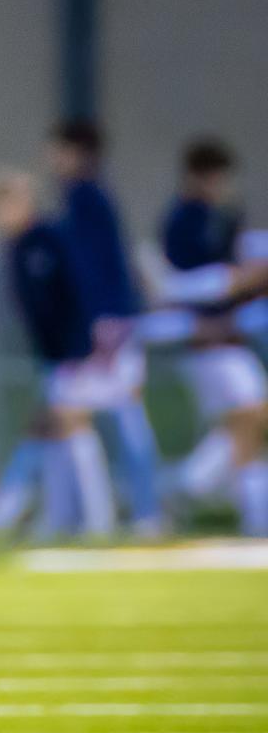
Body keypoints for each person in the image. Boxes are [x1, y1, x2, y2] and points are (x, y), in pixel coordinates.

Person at [0, 173, 120, 536]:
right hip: (53, 358)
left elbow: (81, 291)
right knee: (55, 433)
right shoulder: (16, 248)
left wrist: (83, 347)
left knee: (68, 424)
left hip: (75, 355)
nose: (1, 215)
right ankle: (62, 519)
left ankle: (98, 521)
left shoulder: (50, 239)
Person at [47, 120, 162, 535]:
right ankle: (129, 511)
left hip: (110, 321)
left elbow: (96, 268)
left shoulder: (85, 198)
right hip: (113, 318)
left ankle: (148, 512)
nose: (52, 159)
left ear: (77, 153)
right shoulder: (90, 198)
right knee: (114, 414)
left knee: (126, 414)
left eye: (58, 150)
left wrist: (104, 322)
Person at [154, 140, 268, 535]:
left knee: (247, 421)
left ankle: (239, 504)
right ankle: (192, 485)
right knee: (249, 415)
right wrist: (233, 280)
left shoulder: (225, 216)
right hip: (205, 340)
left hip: (230, 336)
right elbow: (174, 286)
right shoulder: (182, 220)